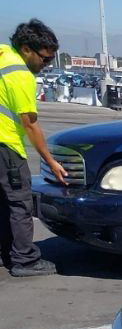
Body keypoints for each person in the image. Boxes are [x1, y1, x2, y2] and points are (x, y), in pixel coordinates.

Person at [1, 19, 67, 277]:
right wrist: (51, 161)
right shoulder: (20, 75)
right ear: (26, 49)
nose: (46, 65)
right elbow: (30, 125)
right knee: (19, 202)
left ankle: (5, 251)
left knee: (2, 202)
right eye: (45, 59)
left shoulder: (4, 55)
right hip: (5, 145)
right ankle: (25, 260)